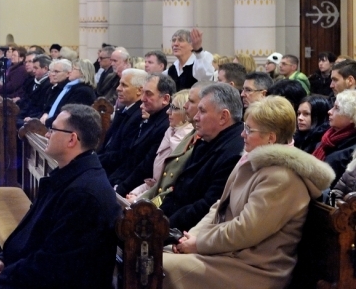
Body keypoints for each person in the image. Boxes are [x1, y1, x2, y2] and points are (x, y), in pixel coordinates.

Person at [0, 105, 121, 289]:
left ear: (72, 139)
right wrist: (2, 260)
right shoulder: (67, 176)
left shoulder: (83, 195)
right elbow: (28, 232)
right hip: (27, 272)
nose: (47, 134)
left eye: (52, 129)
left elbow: (55, 265)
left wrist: (4, 276)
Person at [162, 96, 335, 289]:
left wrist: (199, 244)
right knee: (150, 257)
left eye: (249, 130)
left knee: (157, 266)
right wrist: (192, 238)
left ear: (271, 137)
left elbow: (245, 231)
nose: (242, 135)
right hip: (228, 254)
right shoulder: (251, 161)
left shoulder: (282, 178)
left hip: (255, 268)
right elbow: (219, 206)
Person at [159, 83, 245, 231]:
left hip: (193, 233)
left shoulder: (234, 153)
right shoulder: (207, 140)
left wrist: (163, 226)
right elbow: (178, 190)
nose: (196, 118)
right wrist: (158, 215)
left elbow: (208, 206)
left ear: (223, 117)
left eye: (202, 111)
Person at [108, 73, 175, 192]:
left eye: (148, 94)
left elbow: (145, 168)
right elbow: (130, 158)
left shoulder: (164, 126)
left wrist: (119, 189)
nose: (143, 98)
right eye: (143, 92)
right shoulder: (152, 118)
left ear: (165, 99)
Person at [126, 90, 193, 199]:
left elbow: (167, 187)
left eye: (174, 108)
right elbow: (156, 180)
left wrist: (138, 200)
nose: (168, 112)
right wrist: (136, 193)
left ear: (186, 112)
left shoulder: (187, 141)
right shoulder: (170, 131)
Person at [312, 89, 356, 186]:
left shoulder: (352, 150)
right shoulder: (326, 138)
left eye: (336, 108)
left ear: (352, 117)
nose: (329, 111)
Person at [40, 59, 97, 125]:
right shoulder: (71, 87)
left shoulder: (83, 91)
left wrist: (47, 122)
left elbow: (69, 114)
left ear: (82, 72)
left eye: (73, 69)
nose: (69, 72)